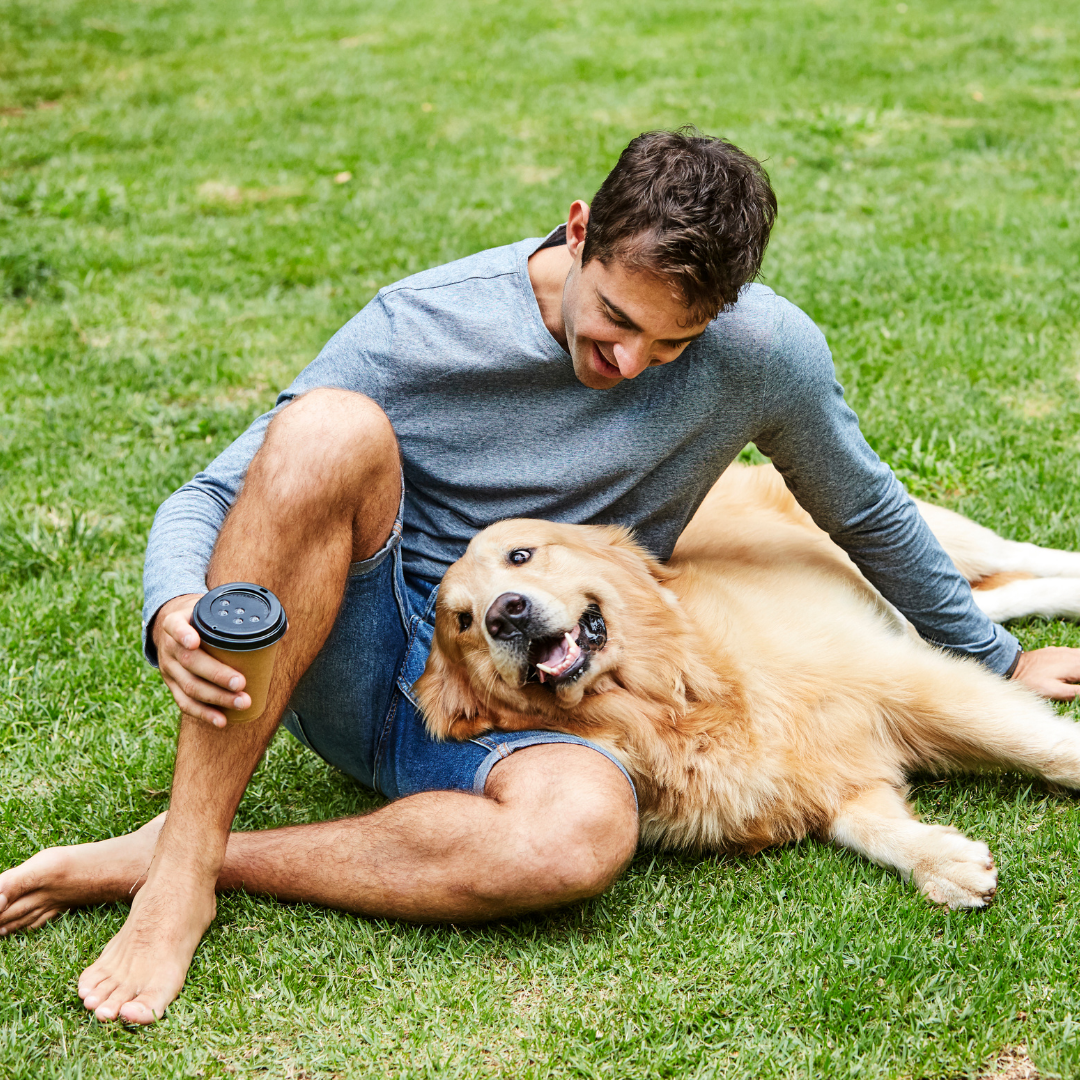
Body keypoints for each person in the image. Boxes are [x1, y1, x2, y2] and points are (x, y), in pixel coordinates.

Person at [2, 129, 1078, 1027]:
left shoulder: (763, 354)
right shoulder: (420, 325)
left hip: (548, 708)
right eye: (614, 321)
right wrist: (175, 604)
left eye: (672, 345)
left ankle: (199, 856)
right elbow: (204, 499)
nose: (627, 364)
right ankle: (179, 869)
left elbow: (865, 509)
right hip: (362, 651)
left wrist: (994, 658)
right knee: (327, 429)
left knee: (580, 841)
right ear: (577, 231)